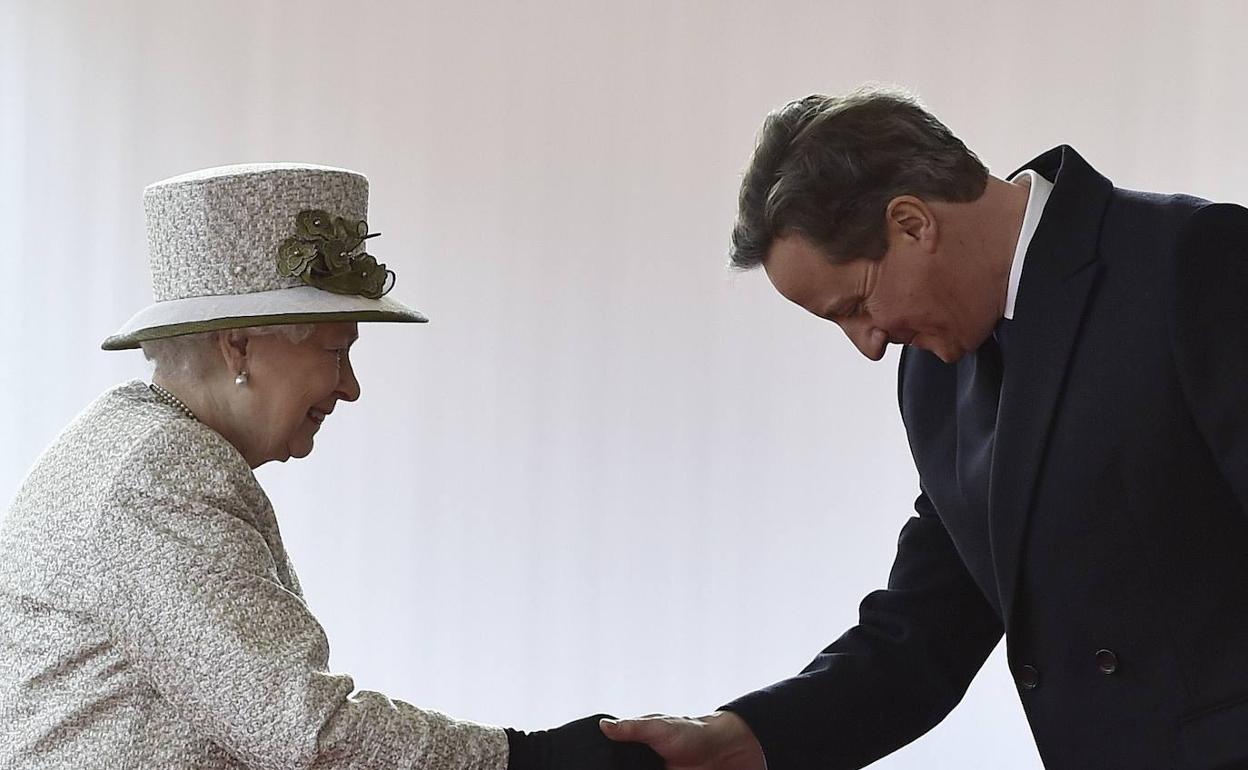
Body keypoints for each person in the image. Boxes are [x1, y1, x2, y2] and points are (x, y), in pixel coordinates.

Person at [601, 87, 1248, 769]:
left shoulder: (1193, 259)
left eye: (855, 305)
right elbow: (924, 632)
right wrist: (742, 737)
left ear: (912, 223)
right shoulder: (935, 375)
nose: (869, 345)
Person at [0, 163, 662, 770]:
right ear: (239, 346)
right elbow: (303, 732)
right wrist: (529, 758)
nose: (350, 387)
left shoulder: (133, 446)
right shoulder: (160, 476)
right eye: (334, 350)